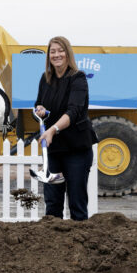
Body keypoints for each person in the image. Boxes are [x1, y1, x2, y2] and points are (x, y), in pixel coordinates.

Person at [34, 36, 97, 221]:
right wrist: (40, 110)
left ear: (68, 53)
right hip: (54, 150)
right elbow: (39, 104)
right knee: (52, 203)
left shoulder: (78, 78)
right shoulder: (45, 79)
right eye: (52, 51)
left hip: (77, 148)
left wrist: (52, 129)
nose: (56, 55)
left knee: (77, 203)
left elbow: (75, 110)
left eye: (60, 50)